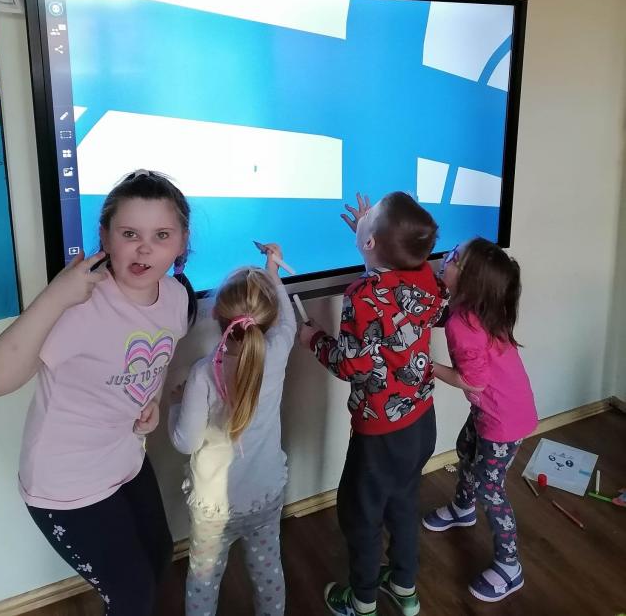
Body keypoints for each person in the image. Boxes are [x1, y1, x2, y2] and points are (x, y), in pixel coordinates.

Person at [0, 170, 196, 616]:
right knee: (132, 596)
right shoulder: (80, 305)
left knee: (158, 555)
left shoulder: (176, 296)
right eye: (129, 234)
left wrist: (153, 400)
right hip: (65, 481)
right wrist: (56, 295)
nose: (144, 248)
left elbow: (158, 354)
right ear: (105, 237)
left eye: (161, 235)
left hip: (124, 457)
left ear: (182, 242)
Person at [298, 192, 449, 616]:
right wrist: (374, 237)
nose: (364, 216)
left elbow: (351, 365)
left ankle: (362, 600)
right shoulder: (426, 276)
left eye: (371, 217)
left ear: (369, 243)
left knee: (360, 517)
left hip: (380, 433)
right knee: (403, 502)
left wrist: (314, 339)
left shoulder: (362, 295)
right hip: (421, 421)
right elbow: (394, 283)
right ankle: (404, 587)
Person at [168, 243, 296, 616]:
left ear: (217, 316)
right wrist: (272, 271)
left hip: (214, 508)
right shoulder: (278, 351)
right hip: (265, 495)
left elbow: (185, 442)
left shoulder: (202, 374)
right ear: (269, 318)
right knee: (268, 571)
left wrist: (176, 403)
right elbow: (287, 321)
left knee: (203, 581)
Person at [423, 238, 537, 603]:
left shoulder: (464, 324)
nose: (445, 257)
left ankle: (509, 566)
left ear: (469, 282)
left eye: (454, 258)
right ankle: (463, 508)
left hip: (503, 420)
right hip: (494, 409)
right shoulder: (477, 306)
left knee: (491, 487)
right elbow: (442, 314)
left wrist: (428, 366)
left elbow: (473, 381)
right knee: (465, 448)